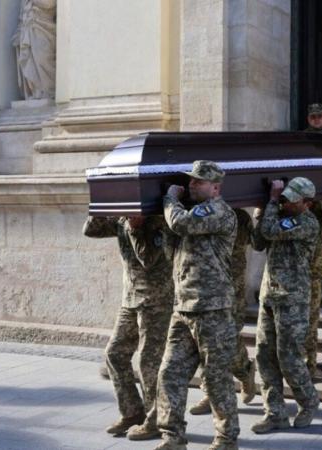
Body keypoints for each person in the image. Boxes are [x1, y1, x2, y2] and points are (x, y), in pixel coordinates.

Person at [154, 160, 239, 450]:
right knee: (169, 373)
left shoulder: (218, 211)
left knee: (216, 378)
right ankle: (172, 436)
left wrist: (169, 199)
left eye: (198, 181)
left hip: (212, 308)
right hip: (184, 307)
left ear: (215, 187)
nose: (191, 184)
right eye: (190, 180)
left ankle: (226, 438)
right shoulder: (192, 211)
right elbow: (173, 243)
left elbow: (181, 223)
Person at [82, 215, 174, 441]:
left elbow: (147, 258)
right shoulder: (121, 218)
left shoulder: (159, 221)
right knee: (114, 354)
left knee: (149, 363)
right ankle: (132, 412)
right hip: (130, 299)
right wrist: (101, 204)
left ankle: (155, 421)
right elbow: (91, 230)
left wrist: (135, 227)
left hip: (156, 300)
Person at [249, 177, 321, 433]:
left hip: (292, 298)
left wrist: (270, 201)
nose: (286, 203)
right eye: (284, 199)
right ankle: (275, 413)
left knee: (289, 358)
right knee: (264, 356)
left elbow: (271, 231)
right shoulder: (278, 215)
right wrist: (261, 211)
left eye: (291, 201)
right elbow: (258, 242)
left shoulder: (307, 222)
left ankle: (309, 401)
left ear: (307, 204)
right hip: (270, 295)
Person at [188, 209, 258, 415]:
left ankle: (245, 371)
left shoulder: (239, 216)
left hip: (231, 287)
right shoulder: (198, 212)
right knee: (205, 339)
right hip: (203, 286)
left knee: (228, 338)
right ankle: (210, 392)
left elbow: (254, 243)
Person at [305, 200, 322, 378]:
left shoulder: (315, 218)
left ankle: (309, 365)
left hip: (312, 277)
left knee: (310, 324)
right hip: (296, 277)